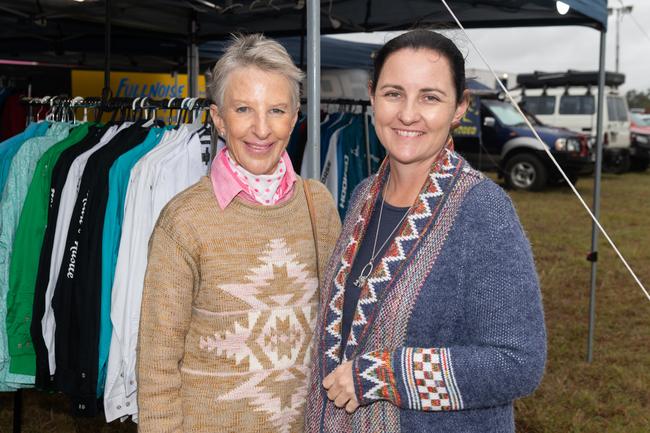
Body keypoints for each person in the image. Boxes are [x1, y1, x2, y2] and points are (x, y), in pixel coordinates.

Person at [305, 29, 546, 433]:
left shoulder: (482, 209)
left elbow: (518, 362)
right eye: (393, 93)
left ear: (459, 108)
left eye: (430, 97)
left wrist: (382, 375)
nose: (408, 114)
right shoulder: (365, 194)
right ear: (372, 95)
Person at [137, 34, 341, 433]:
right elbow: (157, 362)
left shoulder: (318, 205)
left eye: (277, 110)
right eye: (244, 109)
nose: (261, 129)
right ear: (218, 118)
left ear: (295, 117)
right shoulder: (184, 220)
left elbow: (333, 329)